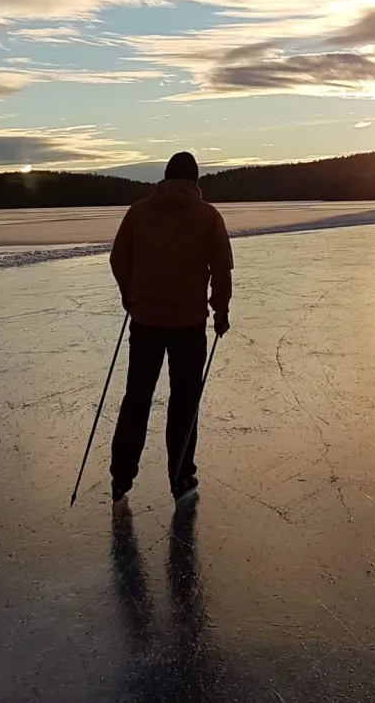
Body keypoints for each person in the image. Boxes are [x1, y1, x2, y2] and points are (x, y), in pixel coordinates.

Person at [108, 152, 232, 508]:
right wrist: (220, 309)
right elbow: (221, 269)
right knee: (184, 403)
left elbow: (119, 259)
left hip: (146, 321)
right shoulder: (207, 216)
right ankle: (180, 477)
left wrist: (129, 294)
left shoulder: (139, 212)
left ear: (164, 177)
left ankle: (121, 477)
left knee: (137, 399)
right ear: (194, 181)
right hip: (188, 325)